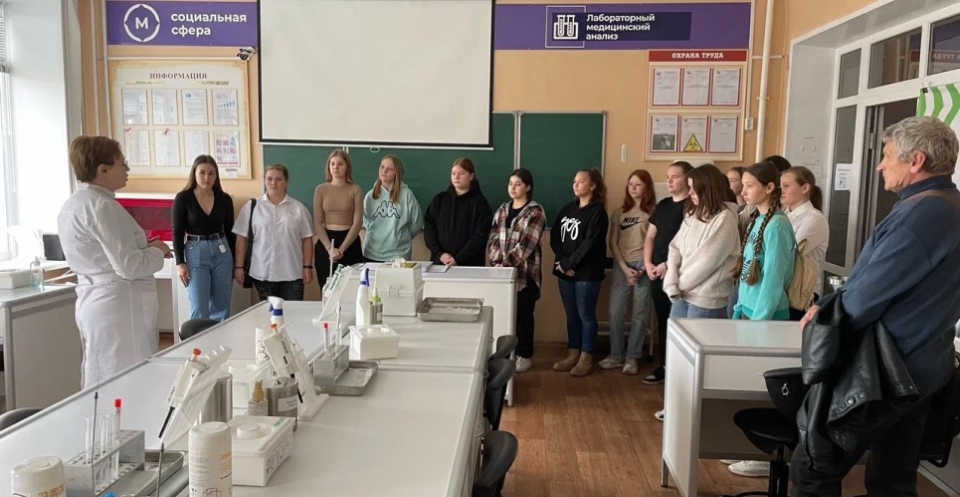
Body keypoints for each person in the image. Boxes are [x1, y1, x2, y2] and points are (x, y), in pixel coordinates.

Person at [791, 116, 960, 497]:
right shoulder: (949, 206)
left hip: (888, 373)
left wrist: (823, 314)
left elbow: (866, 296)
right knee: (893, 479)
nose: (880, 165)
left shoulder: (923, 214)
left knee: (814, 467)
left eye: (887, 155)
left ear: (916, 160)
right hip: (926, 367)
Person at [58, 136, 171, 389]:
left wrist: (143, 248)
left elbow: (107, 253)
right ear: (104, 169)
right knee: (126, 379)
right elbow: (130, 267)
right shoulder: (102, 206)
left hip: (97, 300)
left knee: (101, 372)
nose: (127, 169)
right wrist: (158, 250)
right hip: (118, 307)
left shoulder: (73, 204)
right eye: (122, 163)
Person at [726, 161, 797, 479]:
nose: (743, 191)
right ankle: (747, 449)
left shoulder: (778, 225)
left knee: (765, 390)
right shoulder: (757, 220)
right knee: (745, 384)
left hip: (768, 319)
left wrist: (760, 321)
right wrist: (740, 308)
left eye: (750, 185)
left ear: (770, 188)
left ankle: (766, 456)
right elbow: (748, 272)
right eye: (743, 184)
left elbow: (774, 279)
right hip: (750, 313)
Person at [550, 169, 609, 377]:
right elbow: (555, 236)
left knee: (586, 315)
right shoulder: (568, 208)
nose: (575, 184)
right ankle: (572, 353)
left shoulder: (598, 212)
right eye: (574, 180)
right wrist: (563, 261)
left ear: (592, 185)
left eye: (581, 181)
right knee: (571, 315)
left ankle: (586, 357)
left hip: (587, 274)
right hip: (565, 271)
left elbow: (589, 244)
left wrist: (570, 263)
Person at [598, 169, 656, 376]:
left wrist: (643, 268)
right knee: (615, 312)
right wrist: (624, 268)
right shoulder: (619, 211)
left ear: (647, 187)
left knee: (640, 313)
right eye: (631, 184)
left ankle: (632, 356)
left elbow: (655, 242)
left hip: (644, 266)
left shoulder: (653, 212)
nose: (633, 188)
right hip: (622, 266)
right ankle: (616, 355)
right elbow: (612, 242)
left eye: (638, 184)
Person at [488, 168, 546, 373]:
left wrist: (505, 265)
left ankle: (524, 355)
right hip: (501, 275)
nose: (513, 187)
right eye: (510, 183)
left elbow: (527, 245)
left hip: (525, 275)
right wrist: (497, 263)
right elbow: (494, 239)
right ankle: (506, 353)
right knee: (505, 314)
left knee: (523, 316)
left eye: (518, 184)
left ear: (528, 187)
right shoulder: (502, 210)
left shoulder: (535, 212)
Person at [664, 165, 740, 319]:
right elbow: (675, 248)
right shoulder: (692, 213)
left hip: (706, 300)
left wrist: (678, 285)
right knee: (675, 335)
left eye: (694, 188)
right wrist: (671, 282)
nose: (690, 192)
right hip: (681, 294)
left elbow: (707, 261)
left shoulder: (725, 218)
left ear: (707, 188)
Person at [642, 160, 693, 387]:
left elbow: (688, 245)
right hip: (656, 273)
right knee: (663, 321)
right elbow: (650, 236)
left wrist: (666, 265)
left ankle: (681, 370)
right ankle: (664, 365)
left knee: (679, 323)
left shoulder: (692, 206)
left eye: (675, 176)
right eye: (667, 177)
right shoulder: (663, 205)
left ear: (688, 179)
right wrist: (648, 264)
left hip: (678, 273)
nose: (669, 181)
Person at [233, 164, 315, 301]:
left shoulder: (298, 208)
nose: (273, 183)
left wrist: (307, 267)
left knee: (293, 312)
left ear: (286, 182)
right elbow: (242, 239)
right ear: (264, 180)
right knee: (269, 312)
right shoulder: (252, 207)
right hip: (263, 272)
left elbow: (307, 239)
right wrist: (239, 267)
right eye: (269, 179)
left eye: (279, 179)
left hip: (292, 273)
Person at [172, 155, 235, 321]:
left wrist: (236, 263)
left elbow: (230, 231)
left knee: (222, 306)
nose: (207, 177)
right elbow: (177, 232)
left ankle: (220, 337)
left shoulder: (224, 199)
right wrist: (180, 263)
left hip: (222, 250)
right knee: (199, 307)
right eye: (202, 172)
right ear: (194, 173)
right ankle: (199, 339)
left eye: (211, 173)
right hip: (196, 251)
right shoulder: (183, 198)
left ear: (216, 175)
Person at [424, 157, 493, 267]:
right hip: (441, 263)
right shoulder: (439, 200)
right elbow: (429, 228)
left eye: (461, 173)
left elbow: (480, 236)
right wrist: (440, 253)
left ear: (471, 176)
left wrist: (458, 259)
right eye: (453, 173)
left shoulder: (481, 204)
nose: (456, 177)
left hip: (470, 266)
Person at [780, 165, 829, 318]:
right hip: (783, 288)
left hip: (802, 292)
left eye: (787, 186)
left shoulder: (814, 218)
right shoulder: (783, 214)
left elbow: (789, 253)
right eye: (781, 186)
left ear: (805, 188)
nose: (782, 191)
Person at [313, 150, 363, 289]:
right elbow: (318, 222)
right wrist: (330, 249)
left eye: (340, 164)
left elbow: (357, 223)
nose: (335, 167)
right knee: (328, 289)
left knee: (350, 289)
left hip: (349, 242)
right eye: (332, 164)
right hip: (326, 242)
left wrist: (341, 249)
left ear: (347, 167)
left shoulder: (355, 189)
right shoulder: (321, 189)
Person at [362, 154, 423, 263]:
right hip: (372, 253)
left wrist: (401, 237)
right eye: (382, 167)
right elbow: (365, 220)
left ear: (397, 173)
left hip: (398, 255)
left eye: (390, 169)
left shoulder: (407, 195)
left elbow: (417, 223)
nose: (384, 171)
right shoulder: (370, 195)